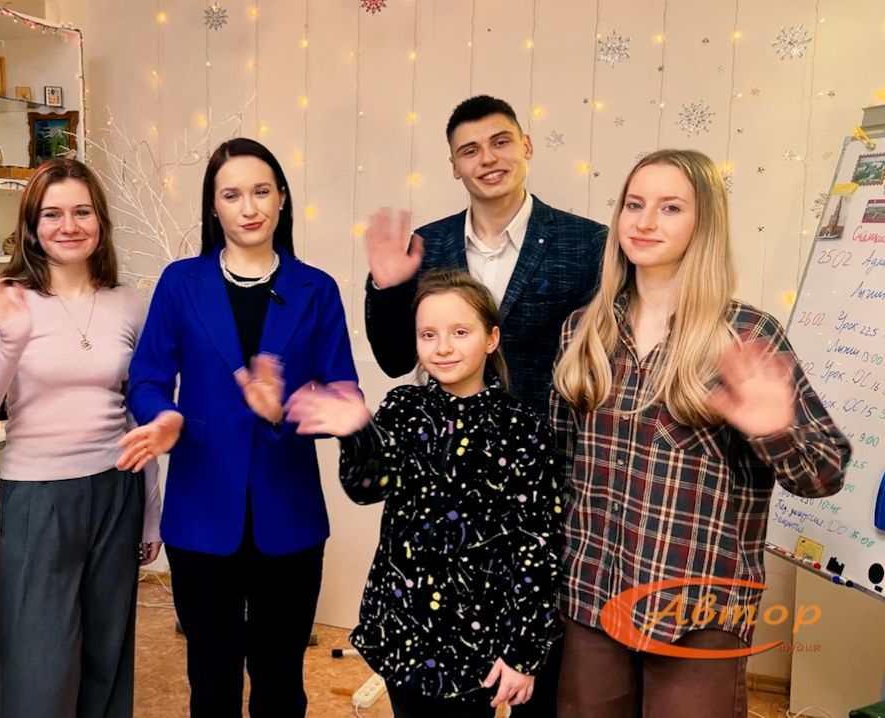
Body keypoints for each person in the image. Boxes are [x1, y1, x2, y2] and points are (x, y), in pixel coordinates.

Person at [549, 149, 851, 717]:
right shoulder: (583, 331)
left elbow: (825, 473)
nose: (644, 222)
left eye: (670, 208)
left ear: (703, 223)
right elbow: (562, 468)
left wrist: (774, 430)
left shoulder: (745, 334)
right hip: (592, 596)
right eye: (634, 205)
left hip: (698, 610)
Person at [122, 138, 357, 717]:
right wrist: (164, 417)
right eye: (231, 195)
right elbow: (147, 378)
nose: (249, 207)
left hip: (290, 515)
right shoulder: (181, 284)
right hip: (200, 514)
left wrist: (287, 408)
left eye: (261, 191)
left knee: (280, 682)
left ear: (282, 199)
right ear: (213, 206)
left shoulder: (317, 289)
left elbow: (344, 395)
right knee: (211, 679)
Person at [285, 269, 560, 717]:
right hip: (403, 627)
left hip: (478, 639)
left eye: (460, 332)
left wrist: (523, 651)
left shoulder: (523, 430)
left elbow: (537, 546)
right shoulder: (402, 408)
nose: (443, 347)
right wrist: (355, 432)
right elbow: (366, 487)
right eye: (428, 335)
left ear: (491, 339)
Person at [0, 158, 162, 718]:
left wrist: (150, 512)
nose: (68, 226)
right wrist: (12, 340)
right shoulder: (8, 298)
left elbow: (139, 413)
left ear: (100, 221)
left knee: (106, 654)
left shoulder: (129, 302)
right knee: (39, 664)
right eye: (52, 214)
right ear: (31, 224)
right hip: (38, 495)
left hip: (117, 489)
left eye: (81, 212)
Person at [364, 94, 606, 420]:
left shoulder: (587, 243)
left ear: (526, 146)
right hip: (446, 442)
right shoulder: (427, 244)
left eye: (500, 142)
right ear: (454, 166)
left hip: (548, 442)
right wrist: (387, 289)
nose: (488, 159)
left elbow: (602, 364)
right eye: (470, 151)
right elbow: (395, 362)